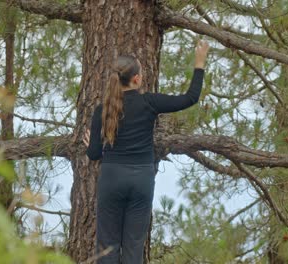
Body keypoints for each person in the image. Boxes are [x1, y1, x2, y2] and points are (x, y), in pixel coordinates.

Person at [82, 40, 210, 263]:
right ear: (137, 79)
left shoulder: (102, 110)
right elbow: (190, 98)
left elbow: (93, 154)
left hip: (111, 178)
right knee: (133, 250)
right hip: (141, 179)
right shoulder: (149, 102)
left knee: (107, 249)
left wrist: (93, 145)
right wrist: (199, 64)